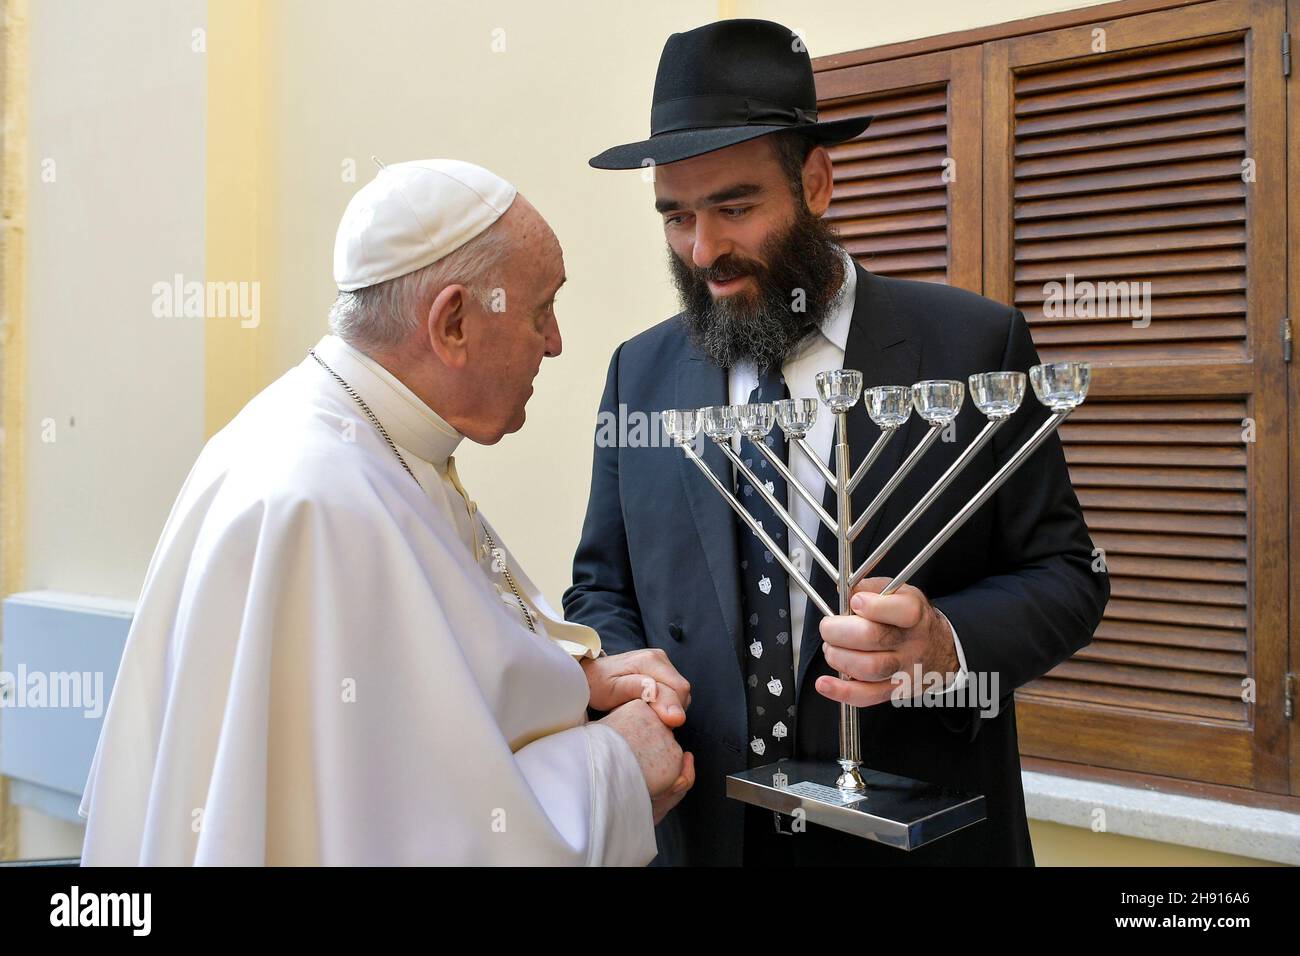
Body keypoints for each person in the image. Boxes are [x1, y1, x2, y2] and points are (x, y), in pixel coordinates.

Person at [566, 19, 1109, 866]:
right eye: (677, 216)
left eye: (735, 207)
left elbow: (1068, 575)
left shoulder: (969, 349)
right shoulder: (641, 372)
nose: (704, 250)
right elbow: (600, 586)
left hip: (913, 833)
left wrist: (944, 645)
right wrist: (627, 678)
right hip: (706, 830)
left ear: (816, 182)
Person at [79, 158, 694, 865]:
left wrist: (568, 686)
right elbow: (398, 838)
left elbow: (414, 710)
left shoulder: (369, 438)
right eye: (540, 311)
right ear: (454, 323)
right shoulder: (315, 499)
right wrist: (613, 770)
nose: (554, 342)